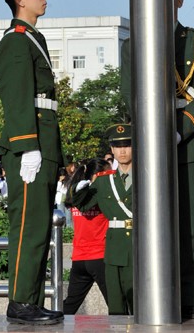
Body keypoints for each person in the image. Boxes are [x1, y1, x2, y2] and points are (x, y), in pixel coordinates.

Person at [120, 0, 194, 320]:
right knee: (149, 222)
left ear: (179, 1)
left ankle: (189, 297)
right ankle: (150, 293)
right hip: (150, 144)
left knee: (188, 225)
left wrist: (180, 127)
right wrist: (153, 131)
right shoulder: (134, 45)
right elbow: (130, 95)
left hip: (187, 143)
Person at [0, 0, 63, 327]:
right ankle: (20, 301)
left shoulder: (33, 38)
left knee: (38, 226)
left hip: (42, 142)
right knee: (28, 226)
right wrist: (27, 146)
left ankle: (30, 301)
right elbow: (17, 97)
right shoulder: (16, 42)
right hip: (30, 146)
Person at [69, 125, 133, 315]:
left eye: (127, 145)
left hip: (138, 245)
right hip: (113, 247)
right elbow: (83, 205)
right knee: (116, 304)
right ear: (111, 149)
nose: (122, 151)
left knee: (139, 301)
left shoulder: (148, 177)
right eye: (117, 146)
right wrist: (78, 189)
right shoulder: (105, 181)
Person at [63, 158, 110, 314]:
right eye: (109, 173)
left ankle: (53, 325)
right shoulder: (101, 195)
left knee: (69, 305)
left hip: (79, 259)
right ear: (97, 176)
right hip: (100, 256)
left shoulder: (76, 196)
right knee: (117, 305)